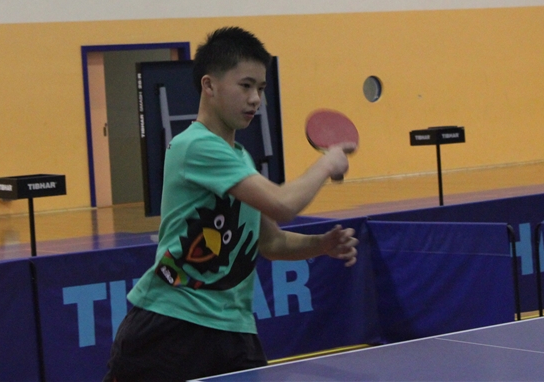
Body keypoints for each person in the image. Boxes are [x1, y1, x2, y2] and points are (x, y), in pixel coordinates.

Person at [104, 26, 358, 382]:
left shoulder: (240, 159)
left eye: (261, 89)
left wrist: (321, 244)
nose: (256, 99)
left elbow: (270, 242)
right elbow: (282, 204)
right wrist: (327, 163)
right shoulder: (195, 145)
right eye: (246, 86)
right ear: (209, 86)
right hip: (172, 326)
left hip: (233, 331)